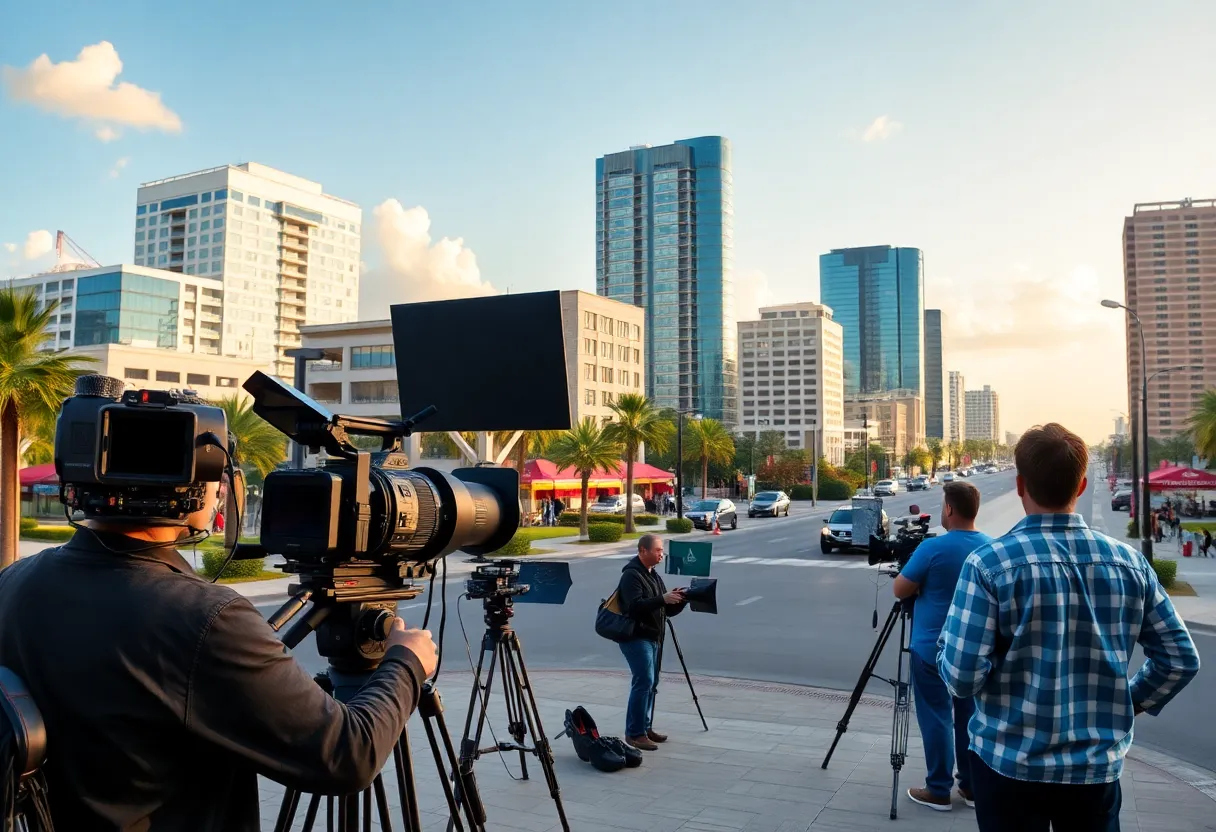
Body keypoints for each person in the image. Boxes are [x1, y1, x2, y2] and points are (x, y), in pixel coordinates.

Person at [0, 470, 439, 830]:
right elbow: (348, 755)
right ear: (196, 493)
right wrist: (406, 662)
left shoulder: (15, 581)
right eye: (218, 478)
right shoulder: (205, 617)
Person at [939, 423, 1199, 831]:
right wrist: (1127, 702)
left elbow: (961, 677)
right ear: (1081, 486)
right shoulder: (1128, 563)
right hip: (1094, 770)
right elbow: (1180, 659)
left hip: (1008, 764)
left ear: (1020, 483)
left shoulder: (990, 565)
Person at [894, 482, 992, 812]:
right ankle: (971, 787)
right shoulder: (991, 548)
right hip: (973, 651)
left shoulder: (931, 548)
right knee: (970, 719)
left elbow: (900, 589)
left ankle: (938, 789)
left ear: (949, 509)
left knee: (937, 718)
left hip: (930, 649)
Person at [616, 534, 686, 751]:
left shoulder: (652, 575)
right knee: (643, 681)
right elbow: (633, 607)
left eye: (661, 550)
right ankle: (634, 733)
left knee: (651, 683)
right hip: (636, 637)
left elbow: (662, 608)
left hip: (653, 636)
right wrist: (662, 599)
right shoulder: (631, 575)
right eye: (657, 550)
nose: (661, 554)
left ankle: (645, 727)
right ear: (642, 551)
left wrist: (679, 600)